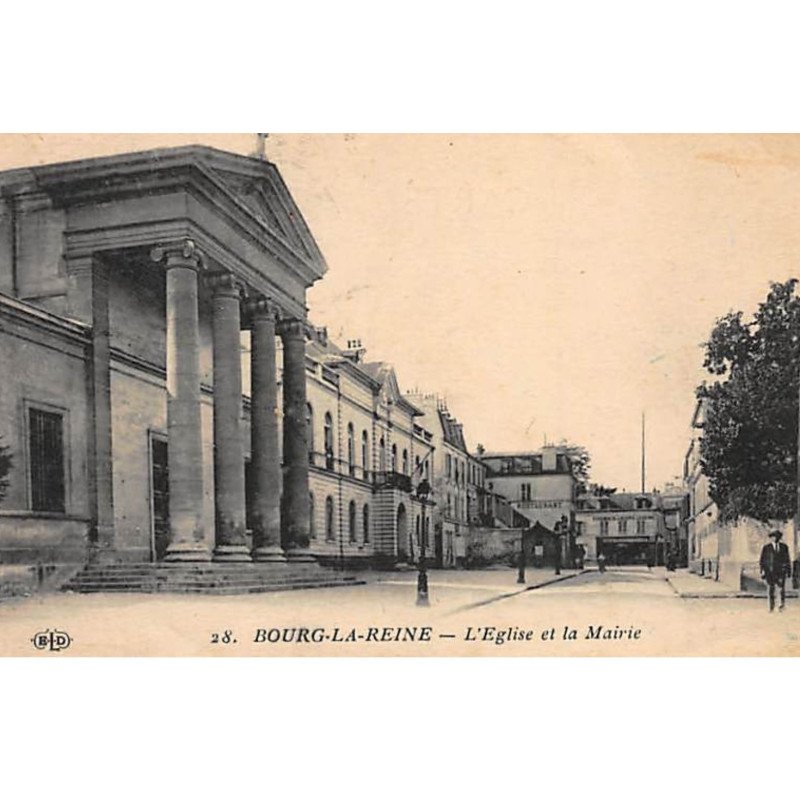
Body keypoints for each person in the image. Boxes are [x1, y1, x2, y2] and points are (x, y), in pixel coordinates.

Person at [759, 530, 791, 612]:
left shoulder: (784, 547)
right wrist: (762, 571)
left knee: (781, 589)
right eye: (773, 537)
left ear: (779, 538)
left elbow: (787, 559)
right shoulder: (766, 548)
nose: (775, 538)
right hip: (770, 571)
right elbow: (762, 560)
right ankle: (771, 606)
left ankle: (781, 606)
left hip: (781, 571)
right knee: (771, 589)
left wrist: (788, 571)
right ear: (771, 538)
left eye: (777, 537)